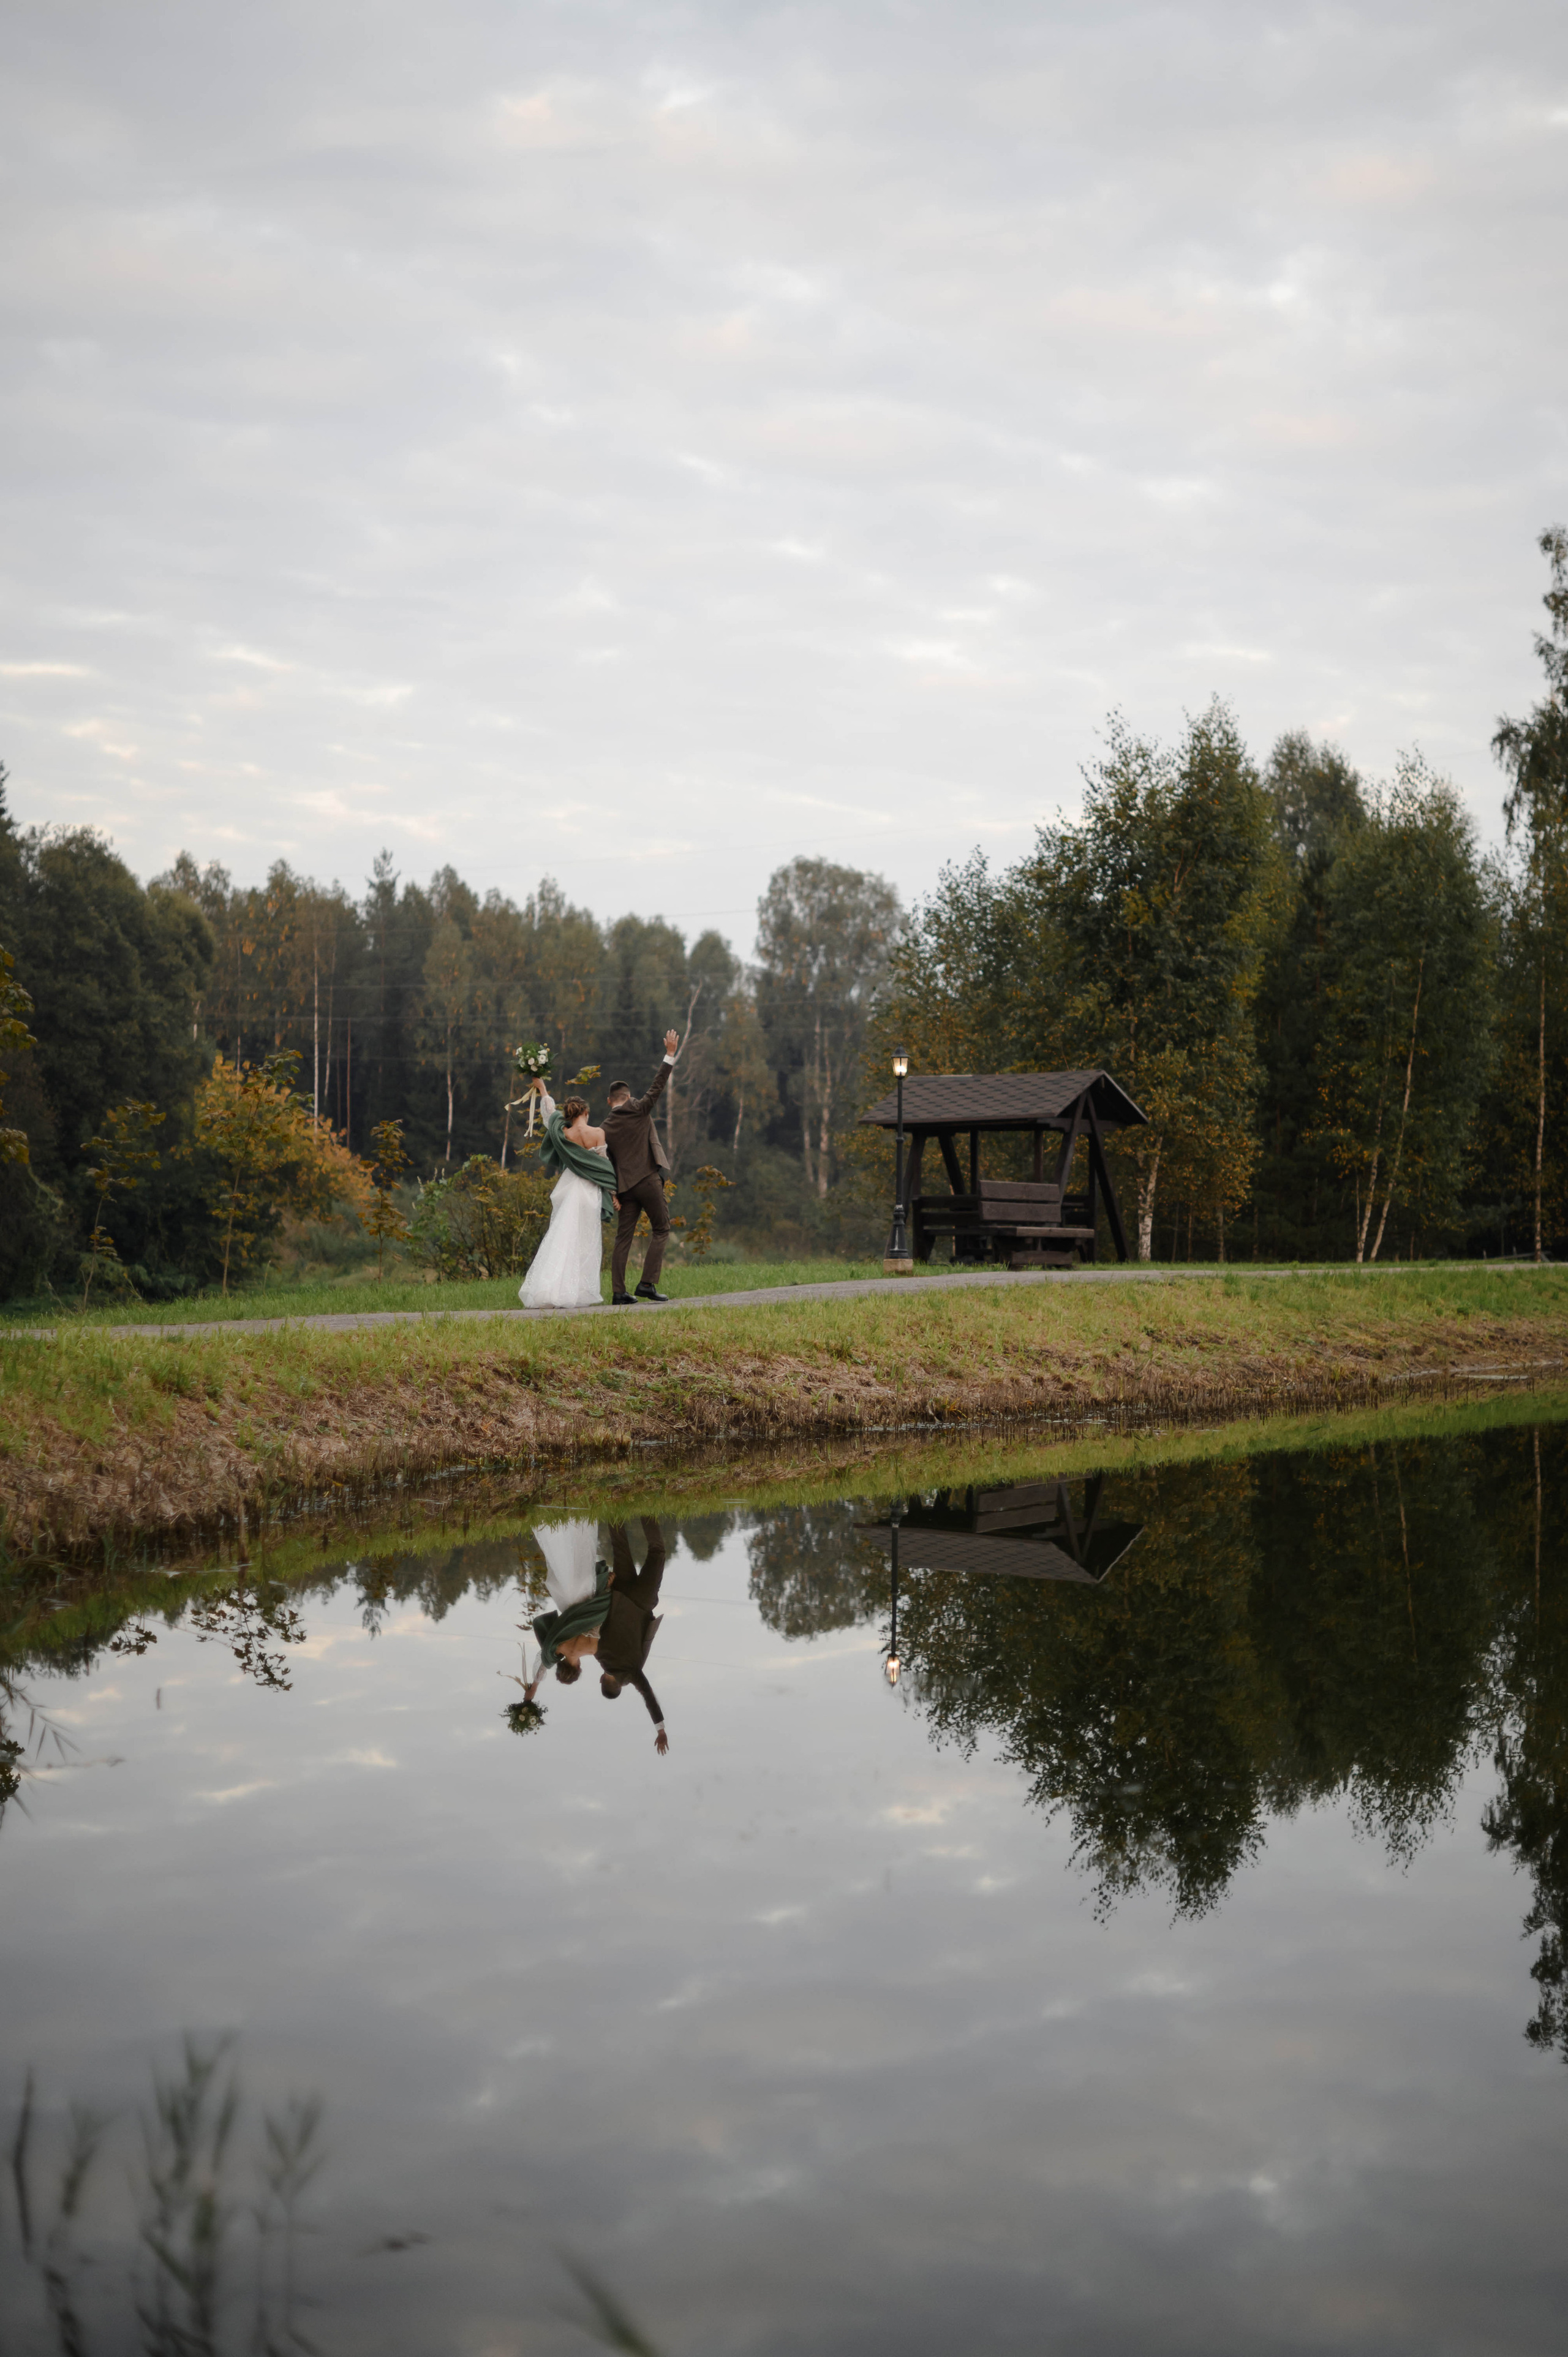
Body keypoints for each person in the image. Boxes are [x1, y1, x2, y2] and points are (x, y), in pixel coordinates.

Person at [519, 1088, 618, 1311]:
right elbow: (603, 1167)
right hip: (589, 1191)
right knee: (585, 1240)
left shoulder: (563, 1134)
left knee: (562, 1234)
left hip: (570, 1186)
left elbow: (549, 1114)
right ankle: (577, 1291)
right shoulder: (598, 1133)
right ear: (585, 1112)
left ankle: (551, 1288)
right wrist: (613, 1193)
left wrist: (542, 1087)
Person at [603, 1029, 680, 1306]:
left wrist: (612, 1192)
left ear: (610, 1101)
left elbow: (604, 1162)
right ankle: (647, 1284)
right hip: (648, 1180)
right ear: (629, 1096)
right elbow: (658, 1085)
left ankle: (618, 1292)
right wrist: (669, 1054)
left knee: (622, 1239)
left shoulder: (604, 1128)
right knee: (661, 1229)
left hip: (625, 1190)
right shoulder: (639, 1108)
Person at [598, 1516, 671, 1753]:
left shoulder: (631, 1674)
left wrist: (660, 1729)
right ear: (601, 1680)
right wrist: (606, 1590)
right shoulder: (598, 1653)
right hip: (619, 1593)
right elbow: (599, 1619)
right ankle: (613, 1504)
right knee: (619, 1546)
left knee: (657, 1551)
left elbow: (648, 1696)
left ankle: (647, 1511)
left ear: (620, 1685)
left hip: (642, 1601)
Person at [524, 1518, 612, 1688]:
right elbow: (543, 1663)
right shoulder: (555, 1648)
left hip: (586, 1597)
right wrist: (531, 1692)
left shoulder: (591, 1649)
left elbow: (596, 1618)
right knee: (561, 1559)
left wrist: (608, 1589)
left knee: (584, 1555)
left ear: (579, 1669)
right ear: (560, 1667)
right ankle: (554, 1523)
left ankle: (582, 1521)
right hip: (567, 1598)